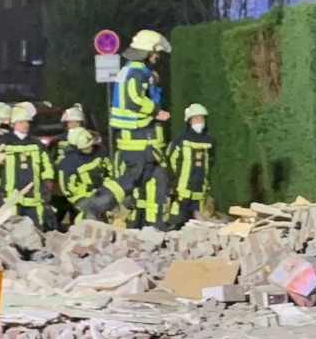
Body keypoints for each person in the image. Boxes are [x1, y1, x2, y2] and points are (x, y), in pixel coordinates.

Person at [78, 29, 171, 229]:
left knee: (158, 177)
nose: (157, 56)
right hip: (137, 139)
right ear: (147, 51)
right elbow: (134, 99)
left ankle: (156, 225)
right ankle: (96, 205)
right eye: (155, 52)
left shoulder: (133, 70)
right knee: (130, 179)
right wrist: (156, 111)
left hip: (142, 138)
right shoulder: (137, 72)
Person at [0, 102, 57, 230]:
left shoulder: (36, 144)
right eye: (22, 122)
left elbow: (47, 167)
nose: (26, 125)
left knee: (36, 232)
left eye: (27, 122)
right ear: (13, 124)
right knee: (12, 233)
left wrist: (47, 184)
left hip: (34, 199)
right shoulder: (2, 145)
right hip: (10, 201)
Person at [169, 103, 215, 224]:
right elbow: (171, 160)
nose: (200, 121)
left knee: (197, 225)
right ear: (189, 121)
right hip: (181, 192)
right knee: (176, 222)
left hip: (199, 191)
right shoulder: (180, 140)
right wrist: (173, 182)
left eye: (202, 118)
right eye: (196, 118)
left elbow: (210, 163)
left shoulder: (209, 141)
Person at [57, 127, 106, 227]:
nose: (90, 149)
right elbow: (66, 188)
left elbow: (106, 172)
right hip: (81, 197)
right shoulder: (67, 163)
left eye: (90, 146)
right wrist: (86, 190)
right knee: (90, 214)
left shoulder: (97, 154)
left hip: (100, 193)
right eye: (86, 147)